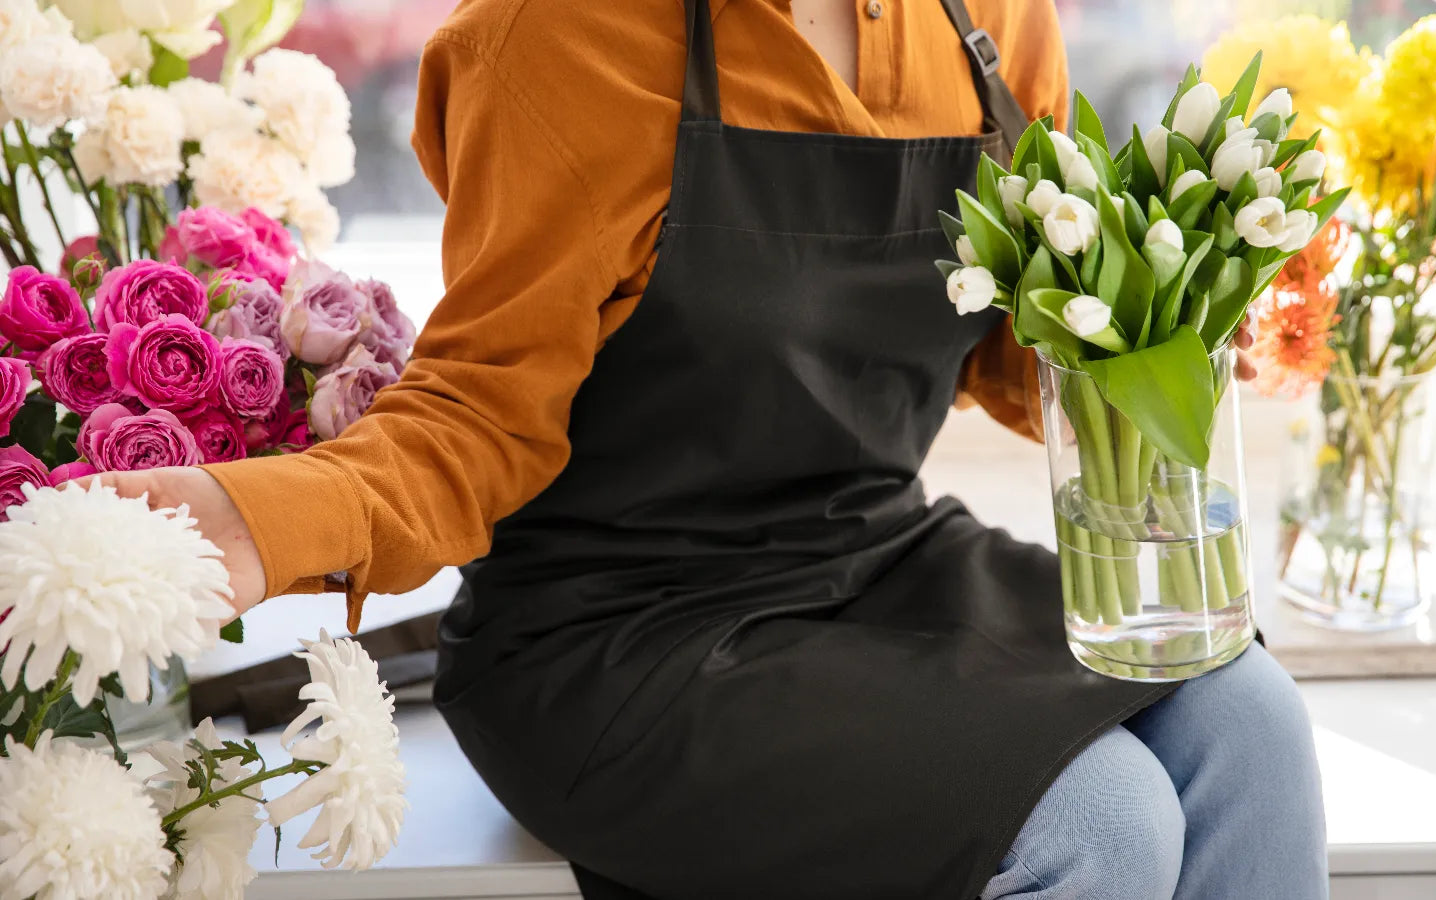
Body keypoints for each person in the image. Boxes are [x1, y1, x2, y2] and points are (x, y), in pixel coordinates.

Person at [93, 0, 1327, 897]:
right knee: (1099, 821)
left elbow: (1024, 347)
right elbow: (471, 419)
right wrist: (249, 525)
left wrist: (1193, 322)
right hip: (617, 634)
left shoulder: (990, 23)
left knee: (1247, 717)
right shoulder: (557, 35)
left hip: (877, 561)